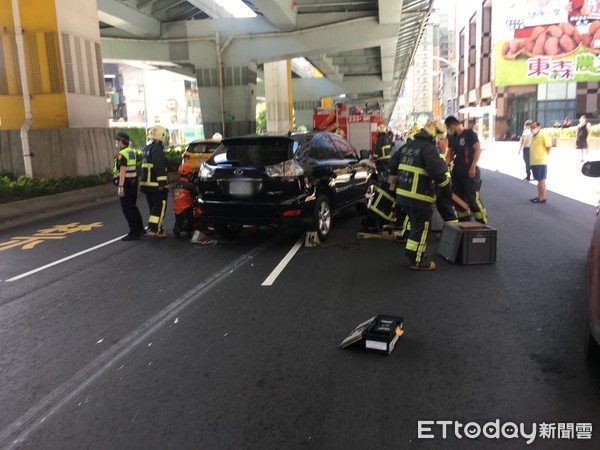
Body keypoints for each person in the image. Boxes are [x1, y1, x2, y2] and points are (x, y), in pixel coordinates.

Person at [388, 121, 452, 271]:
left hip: (404, 195)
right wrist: (447, 190)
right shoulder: (428, 149)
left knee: (416, 226)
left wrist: (394, 178)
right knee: (423, 227)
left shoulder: (408, 146)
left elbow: (393, 161)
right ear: (435, 135)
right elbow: (438, 172)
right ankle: (418, 260)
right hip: (419, 195)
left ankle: (412, 254)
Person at [444, 116, 488, 224]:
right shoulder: (452, 137)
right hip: (457, 172)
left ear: (452, 125)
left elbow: (478, 149)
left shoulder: (469, 134)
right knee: (459, 200)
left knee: (472, 198)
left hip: (470, 171)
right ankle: (464, 222)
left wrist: (473, 167)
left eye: (449, 128)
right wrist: (444, 168)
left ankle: (482, 222)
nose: (449, 130)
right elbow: (449, 155)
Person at [112, 132, 145, 241]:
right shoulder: (131, 152)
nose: (116, 142)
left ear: (121, 141)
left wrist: (120, 186)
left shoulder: (122, 154)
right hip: (133, 183)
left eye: (117, 140)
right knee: (133, 207)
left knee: (127, 209)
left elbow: (122, 170)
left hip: (126, 184)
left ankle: (133, 232)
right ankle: (140, 228)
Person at [140, 125, 169, 238]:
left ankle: (152, 228)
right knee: (160, 207)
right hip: (156, 185)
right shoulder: (158, 149)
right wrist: (162, 183)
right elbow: (159, 167)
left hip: (147, 185)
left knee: (153, 207)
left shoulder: (146, 149)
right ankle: (158, 230)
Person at [172, 163, 199, 237]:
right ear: (189, 175)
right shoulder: (190, 186)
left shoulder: (174, 186)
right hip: (187, 211)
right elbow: (196, 196)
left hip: (177, 211)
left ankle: (179, 226)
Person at [529, 120, 551, 204]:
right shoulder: (533, 136)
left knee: (541, 179)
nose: (532, 129)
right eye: (531, 127)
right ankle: (539, 196)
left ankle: (542, 197)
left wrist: (544, 156)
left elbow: (548, 147)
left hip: (540, 161)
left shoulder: (542, 135)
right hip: (534, 161)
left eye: (534, 127)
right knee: (538, 179)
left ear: (539, 127)